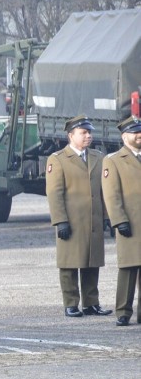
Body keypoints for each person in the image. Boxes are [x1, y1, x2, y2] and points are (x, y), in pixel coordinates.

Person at [46, 115, 112, 318]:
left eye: (89, 132)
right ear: (70, 135)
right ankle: (71, 303)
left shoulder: (98, 157)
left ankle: (91, 303)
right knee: (69, 263)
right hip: (71, 220)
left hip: (93, 219)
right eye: (83, 133)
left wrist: (108, 217)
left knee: (92, 261)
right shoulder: (58, 159)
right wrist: (60, 220)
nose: (88, 136)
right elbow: (54, 193)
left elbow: (106, 190)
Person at [101, 116, 141, 326]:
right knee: (128, 267)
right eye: (135, 132)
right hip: (130, 223)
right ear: (125, 136)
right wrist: (118, 220)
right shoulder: (114, 160)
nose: (139, 135)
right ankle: (123, 311)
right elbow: (111, 194)